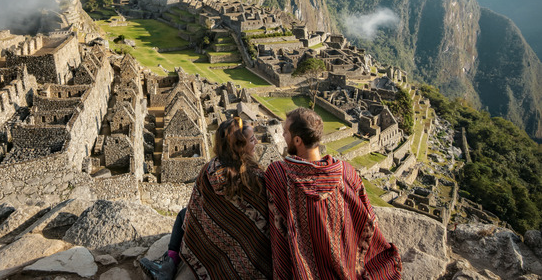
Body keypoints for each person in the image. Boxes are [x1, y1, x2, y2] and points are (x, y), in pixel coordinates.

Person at [265, 107, 402, 280]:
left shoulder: (279, 174)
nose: (283, 136)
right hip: (350, 271)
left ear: (298, 140)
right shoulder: (346, 172)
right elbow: (368, 218)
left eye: (285, 132)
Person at [140, 118, 272, 279]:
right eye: (252, 140)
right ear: (239, 146)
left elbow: (196, 205)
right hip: (240, 239)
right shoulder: (255, 178)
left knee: (184, 214)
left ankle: (170, 262)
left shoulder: (209, 169)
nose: (257, 142)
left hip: (212, 234)